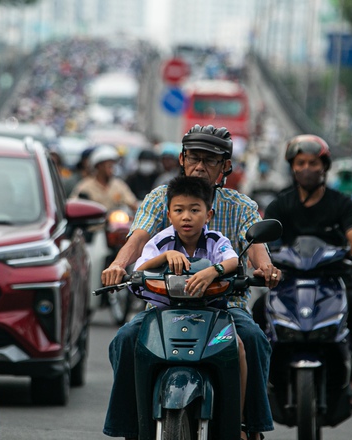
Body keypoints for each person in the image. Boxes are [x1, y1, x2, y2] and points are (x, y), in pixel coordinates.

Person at [101, 124, 280, 440]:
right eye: (194, 158)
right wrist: (117, 264)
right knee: (126, 339)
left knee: (252, 338)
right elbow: (138, 237)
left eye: (210, 160)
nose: (200, 166)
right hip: (164, 305)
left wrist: (267, 270)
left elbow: (256, 251)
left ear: (225, 167)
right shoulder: (161, 198)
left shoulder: (241, 206)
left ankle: (247, 427)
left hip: (225, 306)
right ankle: (131, 426)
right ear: (181, 160)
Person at [134, 175, 250, 438]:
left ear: (208, 214)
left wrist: (213, 271)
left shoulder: (216, 240)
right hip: (163, 313)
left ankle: (239, 421)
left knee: (240, 347)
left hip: (212, 314)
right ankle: (133, 424)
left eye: (194, 210)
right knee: (128, 341)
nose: (186, 216)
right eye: (179, 210)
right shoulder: (162, 240)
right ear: (169, 214)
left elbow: (232, 261)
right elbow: (139, 268)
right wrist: (165, 256)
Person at [261, 134, 352, 407]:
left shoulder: (341, 203)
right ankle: (261, 383)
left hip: (332, 280)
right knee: (256, 312)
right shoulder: (279, 204)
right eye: (300, 163)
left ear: (325, 166)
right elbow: (263, 245)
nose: (306, 168)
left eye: (312, 162)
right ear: (292, 167)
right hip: (287, 283)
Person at [70, 144, 138, 212]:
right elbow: (74, 206)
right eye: (109, 166)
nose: (112, 169)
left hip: (115, 221)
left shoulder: (119, 185)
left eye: (113, 166)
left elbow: (133, 203)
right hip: (95, 222)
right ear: (99, 166)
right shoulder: (85, 187)